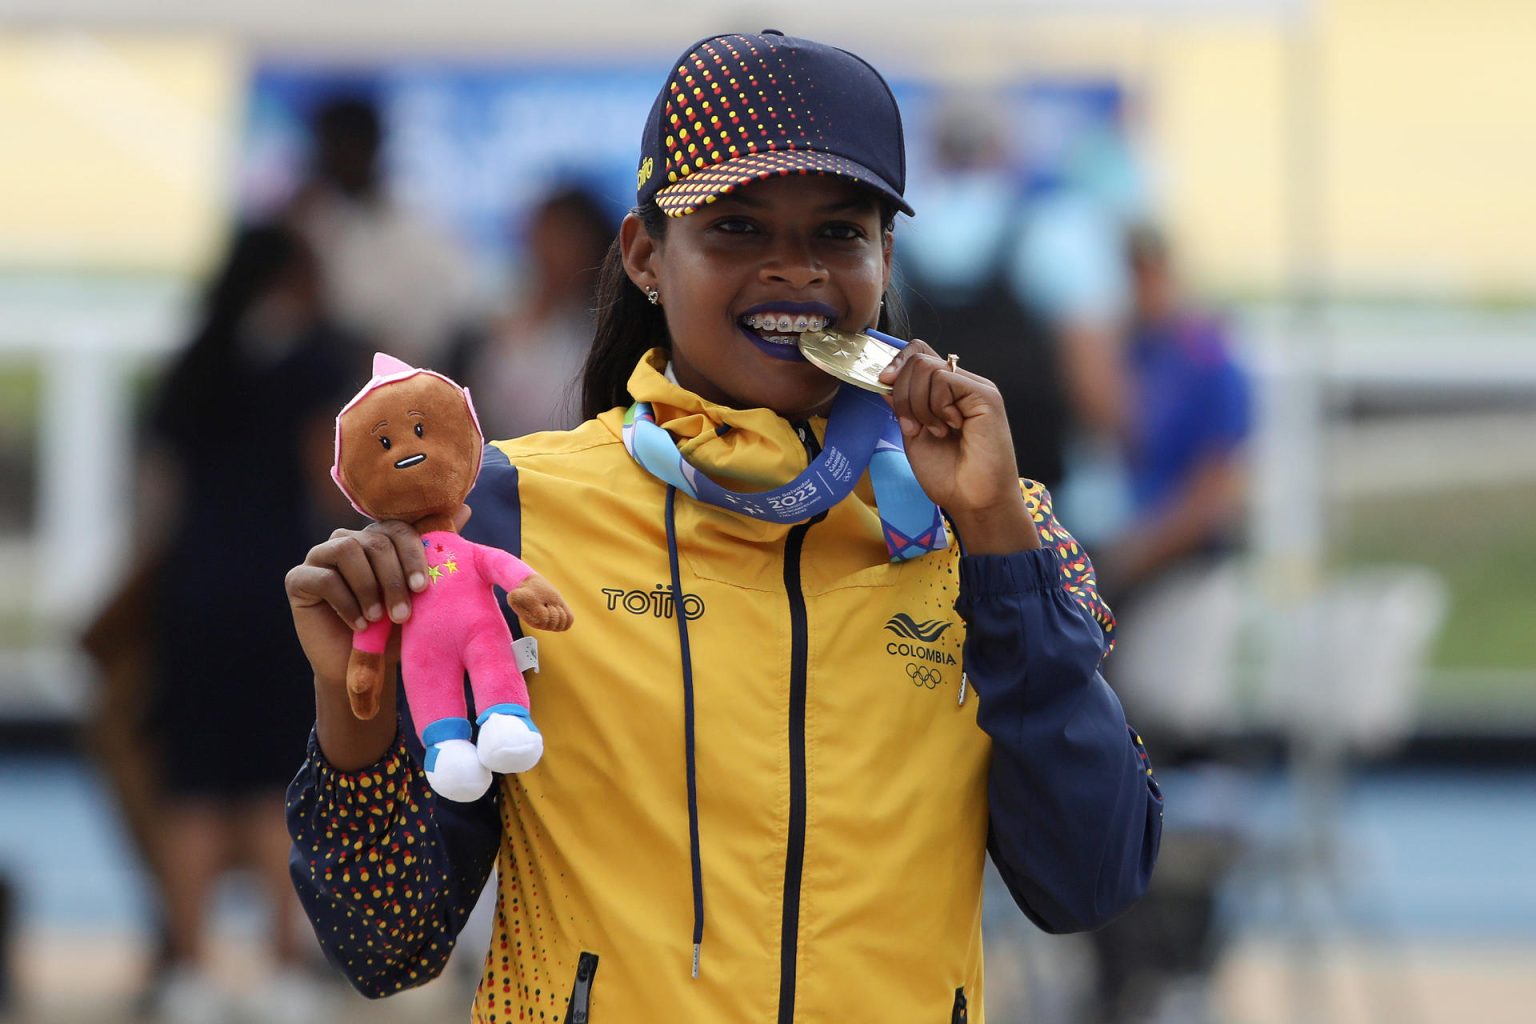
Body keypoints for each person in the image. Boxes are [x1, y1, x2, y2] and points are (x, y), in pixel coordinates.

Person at [285, 31, 1162, 1021]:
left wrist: (999, 540)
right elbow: (383, 937)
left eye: (839, 233)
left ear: (885, 259)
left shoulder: (996, 529)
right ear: (647, 256)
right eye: (737, 228)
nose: (794, 273)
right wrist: (350, 708)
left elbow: (1093, 879)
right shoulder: (508, 514)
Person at [137, 223, 354, 1022]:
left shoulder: (191, 363)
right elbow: (327, 486)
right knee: (275, 779)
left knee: (191, 785)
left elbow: (157, 499)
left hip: (191, 594)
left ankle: (189, 973)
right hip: (281, 592)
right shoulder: (314, 364)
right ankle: (282, 969)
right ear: (296, 275)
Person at [449, 184, 617, 438]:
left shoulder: (609, 330)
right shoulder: (495, 319)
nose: (550, 250)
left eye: (565, 237)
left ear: (593, 243)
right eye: (543, 235)